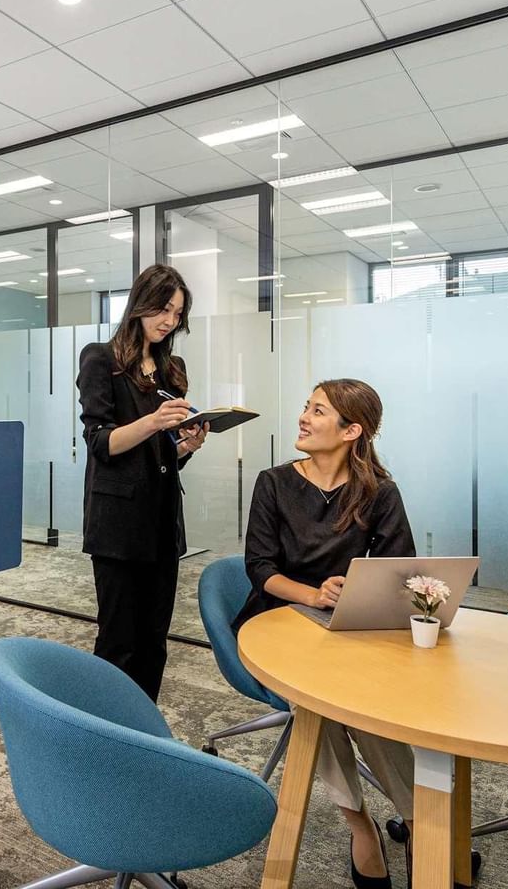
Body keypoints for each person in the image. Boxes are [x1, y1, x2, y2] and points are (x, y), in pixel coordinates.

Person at [232, 378, 416, 889]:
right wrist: (313, 595)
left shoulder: (379, 492)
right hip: (277, 619)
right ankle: (360, 824)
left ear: (351, 431)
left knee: (366, 706)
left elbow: (398, 570)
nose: (304, 417)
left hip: (346, 626)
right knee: (318, 702)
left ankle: (420, 818)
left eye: (317, 411)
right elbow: (260, 567)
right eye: (306, 407)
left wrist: (355, 592)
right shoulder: (273, 482)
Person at [75, 264, 208, 702]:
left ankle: (142, 724)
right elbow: (101, 443)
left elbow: (163, 456)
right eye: (163, 309)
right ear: (140, 304)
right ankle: (106, 725)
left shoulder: (173, 368)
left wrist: (186, 445)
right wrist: (153, 421)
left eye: (177, 313)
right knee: (119, 640)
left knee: (154, 639)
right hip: (117, 524)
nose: (170, 321)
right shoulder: (101, 359)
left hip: (162, 520)